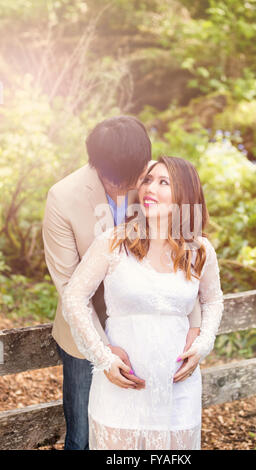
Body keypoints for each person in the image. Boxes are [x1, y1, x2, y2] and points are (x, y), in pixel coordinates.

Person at [42, 117, 202, 450]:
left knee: (150, 432)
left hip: (148, 331)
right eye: (116, 180)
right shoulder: (63, 198)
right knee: (85, 435)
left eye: (135, 177)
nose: (128, 187)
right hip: (84, 332)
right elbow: (71, 288)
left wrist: (195, 328)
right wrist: (101, 350)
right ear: (96, 164)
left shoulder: (151, 181)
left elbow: (185, 257)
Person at [62, 155, 224, 450]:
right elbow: (74, 297)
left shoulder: (199, 250)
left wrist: (202, 345)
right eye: (148, 180)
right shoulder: (113, 242)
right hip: (122, 386)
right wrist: (103, 358)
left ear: (185, 194)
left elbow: (213, 300)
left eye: (164, 182)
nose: (151, 188)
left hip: (178, 390)